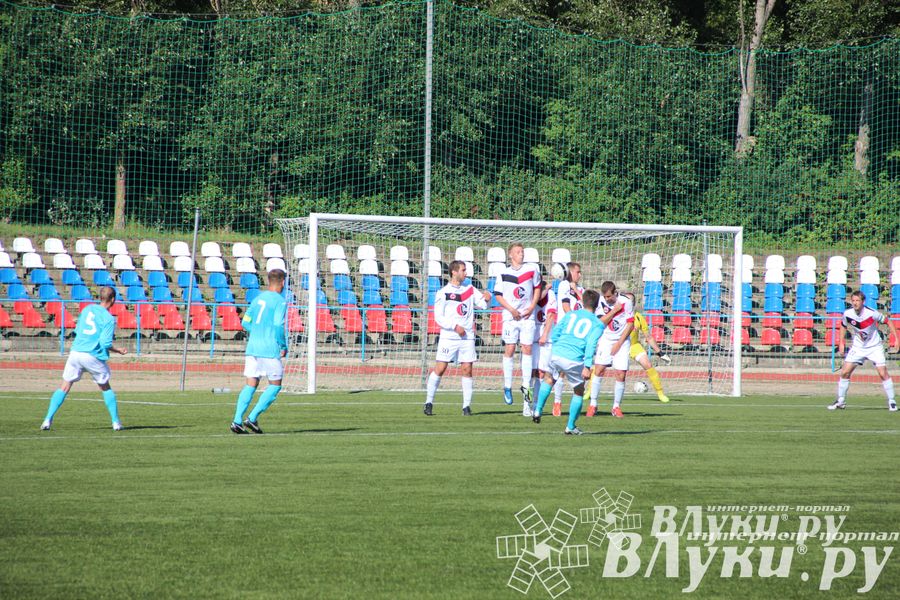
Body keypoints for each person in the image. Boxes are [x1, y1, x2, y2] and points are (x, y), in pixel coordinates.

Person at [41, 286, 127, 431]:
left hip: (75, 353)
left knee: (65, 386)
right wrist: (118, 350)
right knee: (105, 386)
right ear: (113, 300)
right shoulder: (108, 319)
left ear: (100, 297)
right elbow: (105, 343)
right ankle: (116, 422)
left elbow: (79, 328)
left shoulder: (87, 309)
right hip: (91, 354)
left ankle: (47, 420)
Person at [531, 289, 605, 435]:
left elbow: (557, 331)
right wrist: (587, 366)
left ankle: (537, 410)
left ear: (582, 302)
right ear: (597, 305)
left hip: (557, 352)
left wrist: (558, 347)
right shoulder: (598, 324)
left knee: (548, 379)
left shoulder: (570, 314)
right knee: (578, 391)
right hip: (574, 359)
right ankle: (570, 426)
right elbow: (591, 344)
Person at [424, 261, 491, 416]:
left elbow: (483, 305)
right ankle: (428, 402)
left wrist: (487, 297)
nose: (466, 273)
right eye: (463, 270)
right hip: (449, 336)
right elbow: (438, 317)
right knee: (440, 369)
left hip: (467, 337)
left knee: (467, 369)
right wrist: (454, 326)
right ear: (454, 272)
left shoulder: (469, 289)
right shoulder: (443, 292)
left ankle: (466, 407)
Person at [231, 269, 288, 433]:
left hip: (252, 347)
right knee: (275, 385)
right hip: (269, 348)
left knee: (251, 384)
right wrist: (283, 345)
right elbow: (278, 325)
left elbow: (245, 322)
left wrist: (256, 331)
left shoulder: (258, 299)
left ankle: (236, 421)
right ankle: (252, 418)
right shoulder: (280, 301)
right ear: (282, 282)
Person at [828, 290, 899, 411]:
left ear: (863, 302)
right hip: (858, 347)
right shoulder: (848, 314)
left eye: (857, 301)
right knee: (845, 372)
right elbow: (843, 325)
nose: (855, 303)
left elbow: (888, 321)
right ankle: (840, 401)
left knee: (882, 373)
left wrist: (896, 338)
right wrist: (841, 342)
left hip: (875, 347)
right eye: (853, 301)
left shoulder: (872, 313)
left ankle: (892, 401)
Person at [494, 242, 541, 415]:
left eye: (522, 251)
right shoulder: (503, 273)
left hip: (527, 317)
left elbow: (537, 288)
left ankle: (526, 394)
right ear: (511, 255)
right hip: (510, 317)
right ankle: (507, 386)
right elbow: (498, 295)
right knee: (510, 348)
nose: (521, 254)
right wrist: (511, 309)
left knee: (527, 349)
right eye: (518, 252)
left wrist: (532, 306)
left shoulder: (532, 270)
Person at [588, 281, 634, 418]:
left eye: (609, 296)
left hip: (622, 341)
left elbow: (630, 324)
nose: (607, 299)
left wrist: (619, 344)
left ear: (615, 293)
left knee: (621, 374)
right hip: (606, 340)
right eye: (605, 296)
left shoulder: (626, 302)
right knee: (599, 370)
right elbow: (600, 322)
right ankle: (593, 404)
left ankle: (616, 407)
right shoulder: (600, 301)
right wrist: (614, 310)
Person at [622, 292, 672, 403]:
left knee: (648, 364)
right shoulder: (617, 315)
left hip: (633, 345)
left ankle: (660, 393)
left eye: (630, 301)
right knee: (600, 366)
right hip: (619, 345)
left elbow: (648, 337)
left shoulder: (638, 317)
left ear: (634, 303)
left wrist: (661, 353)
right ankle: (589, 392)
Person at [550, 262, 584, 416]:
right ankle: (557, 402)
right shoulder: (564, 286)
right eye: (577, 271)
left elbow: (587, 305)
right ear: (570, 272)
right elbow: (565, 308)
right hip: (565, 331)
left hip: (576, 333)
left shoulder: (580, 290)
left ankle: (576, 404)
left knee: (576, 370)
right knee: (560, 370)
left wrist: (577, 290)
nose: (580, 274)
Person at [531, 282, 557, 409]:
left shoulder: (551, 294)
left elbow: (551, 315)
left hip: (546, 341)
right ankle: (527, 404)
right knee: (530, 373)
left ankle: (537, 404)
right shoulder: (531, 295)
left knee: (542, 372)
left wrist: (545, 335)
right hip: (531, 338)